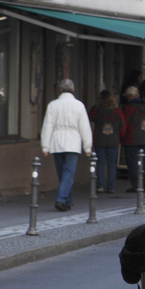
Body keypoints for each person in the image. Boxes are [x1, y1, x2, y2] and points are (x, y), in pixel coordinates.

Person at [40, 80, 93, 211]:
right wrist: (88, 146)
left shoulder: (53, 105)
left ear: (61, 90)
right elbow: (84, 127)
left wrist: (45, 146)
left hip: (57, 142)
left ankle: (67, 201)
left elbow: (48, 126)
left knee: (62, 173)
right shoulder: (79, 105)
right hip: (73, 142)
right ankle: (62, 199)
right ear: (73, 90)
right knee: (68, 173)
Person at [120, 86, 145, 192]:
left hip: (131, 139)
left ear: (130, 96)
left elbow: (124, 124)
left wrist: (122, 137)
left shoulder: (129, 108)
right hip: (144, 138)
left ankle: (136, 185)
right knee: (144, 162)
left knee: (133, 163)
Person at [89, 90, 125, 193]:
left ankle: (100, 186)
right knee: (111, 164)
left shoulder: (98, 110)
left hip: (100, 140)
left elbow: (90, 115)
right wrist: (121, 137)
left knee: (100, 163)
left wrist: (95, 106)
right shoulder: (117, 111)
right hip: (113, 141)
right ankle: (111, 187)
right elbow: (122, 125)